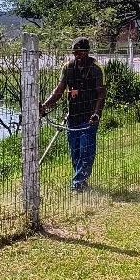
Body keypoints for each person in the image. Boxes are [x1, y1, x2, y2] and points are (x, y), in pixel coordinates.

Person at [39, 37, 107, 191]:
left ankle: (78, 185)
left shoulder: (96, 68)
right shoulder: (68, 67)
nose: (77, 55)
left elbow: (101, 94)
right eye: (74, 52)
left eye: (80, 52)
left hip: (89, 118)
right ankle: (80, 181)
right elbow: (59, 90)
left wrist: (97, 114)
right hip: (73, 117)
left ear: (87, 51)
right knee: (75, 152)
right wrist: (44, 106)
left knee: (86, 151)